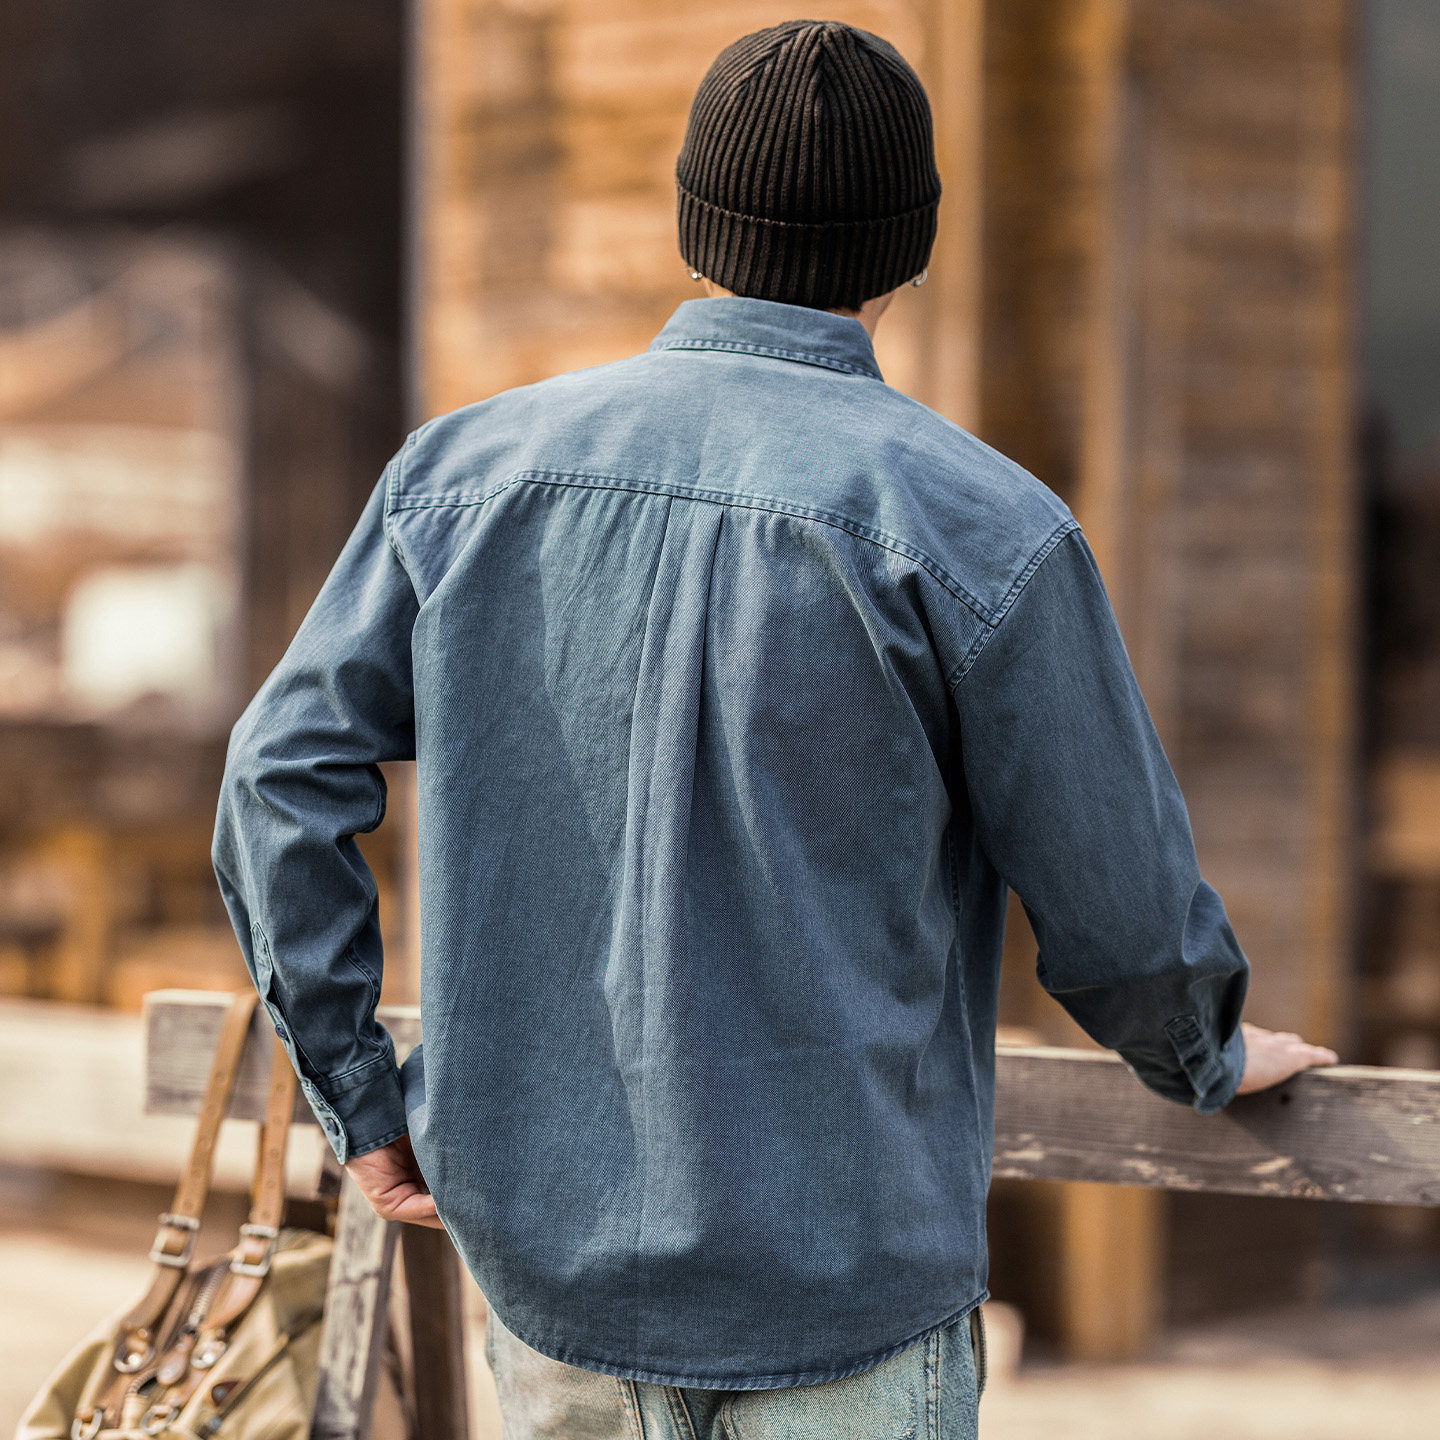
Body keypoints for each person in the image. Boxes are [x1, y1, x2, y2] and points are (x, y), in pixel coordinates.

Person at [212, 18, 1339, 1439]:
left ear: (691, 224)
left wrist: (360, 1100)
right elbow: (1116, 904)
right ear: (911, 252)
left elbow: (275, 778)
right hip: (845, 1298)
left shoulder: (461, 479)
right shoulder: (983, 529)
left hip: (550, 1293)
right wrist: (1207, 1053)